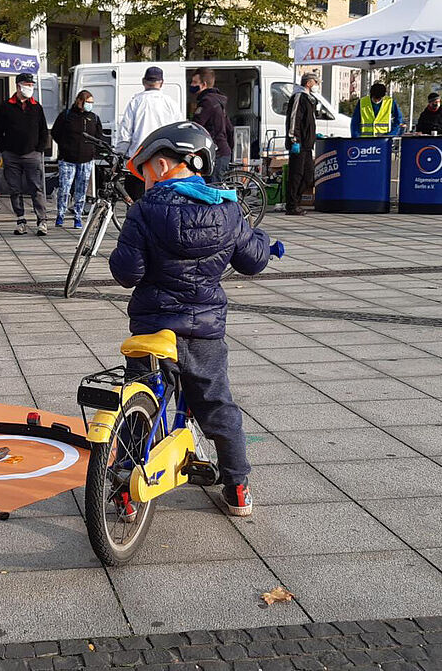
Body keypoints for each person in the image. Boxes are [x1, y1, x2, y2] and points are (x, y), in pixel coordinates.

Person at [108, 122, 284, 517]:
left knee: (141, 401)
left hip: (153, 328)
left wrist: (120, 256)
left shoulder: (145, 211)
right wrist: (265, 242)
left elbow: (128, 274)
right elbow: (252, 261)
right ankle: (237, 486)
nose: (146, 177)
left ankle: (123, 485)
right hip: (204, 329)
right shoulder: (227, 208)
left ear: (168, 163)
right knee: (218, 406)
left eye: (149, 167)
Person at [0, 72, 51, 236]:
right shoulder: (6, 106)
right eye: (28, 85)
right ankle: (21, 220)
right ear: (19, 86)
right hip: (11, 154)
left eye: (32, 85)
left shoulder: (36, 107)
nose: (30, 88)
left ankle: (42, 221)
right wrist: (4, 149)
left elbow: (43, 130)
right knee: (14, 189)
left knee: (36, 188)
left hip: (32, 154)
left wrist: (39, 149)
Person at [115, 66, 184, 201]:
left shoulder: (135, 102)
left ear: (143, 81)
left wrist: (119, 155)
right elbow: (179, 131)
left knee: (137, 201)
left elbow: (125, 134)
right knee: (163, 200)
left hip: (139, 159)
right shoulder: (171, 104)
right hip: (164, 160)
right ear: (161, 82)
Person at [50, 90, 103, 228]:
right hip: (67, 159)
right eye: (87, 102)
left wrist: (93, 152)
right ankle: (60, 214)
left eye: (92, 102)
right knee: (65, 188)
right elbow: (55, 133)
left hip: (86, 160)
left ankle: (77, 216)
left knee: (81, 190)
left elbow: (98, 138)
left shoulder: (94, 118)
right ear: (79, 101)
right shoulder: (66, 116)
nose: (90, 105)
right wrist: (65, 146)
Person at [285, 73, 321, 216]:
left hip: (307, 143)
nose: (317, 84)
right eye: (316, 82)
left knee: (308, 175)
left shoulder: (309, 99)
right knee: (296, 174)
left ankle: (296, 202)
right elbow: (294, 119)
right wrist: (294, 138)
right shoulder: (299, 96)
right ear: (309, 83)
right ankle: (292, 205)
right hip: (299, 143)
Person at [190, 68, 234, 183]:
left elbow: (196, 126)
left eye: (195, 82)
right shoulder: (217, 101)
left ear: (204, 84)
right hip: (223, 151)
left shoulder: (207, 102)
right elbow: (229, 128)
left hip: (216, 152)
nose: (191, 85)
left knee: (213, 187)